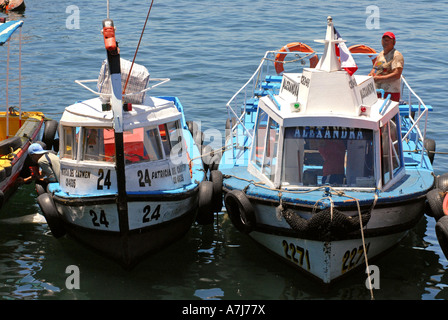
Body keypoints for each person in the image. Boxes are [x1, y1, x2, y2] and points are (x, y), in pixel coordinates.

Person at [368, 32, 404, 102]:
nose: (385, 42)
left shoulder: (396, 56)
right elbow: (375, 68)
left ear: (394, 42)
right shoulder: (381, 54)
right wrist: (371, 74)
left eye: (388, 40)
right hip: (378, 91)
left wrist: (378, 78)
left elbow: (397, 75)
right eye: (384, 40)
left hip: (390, 93)